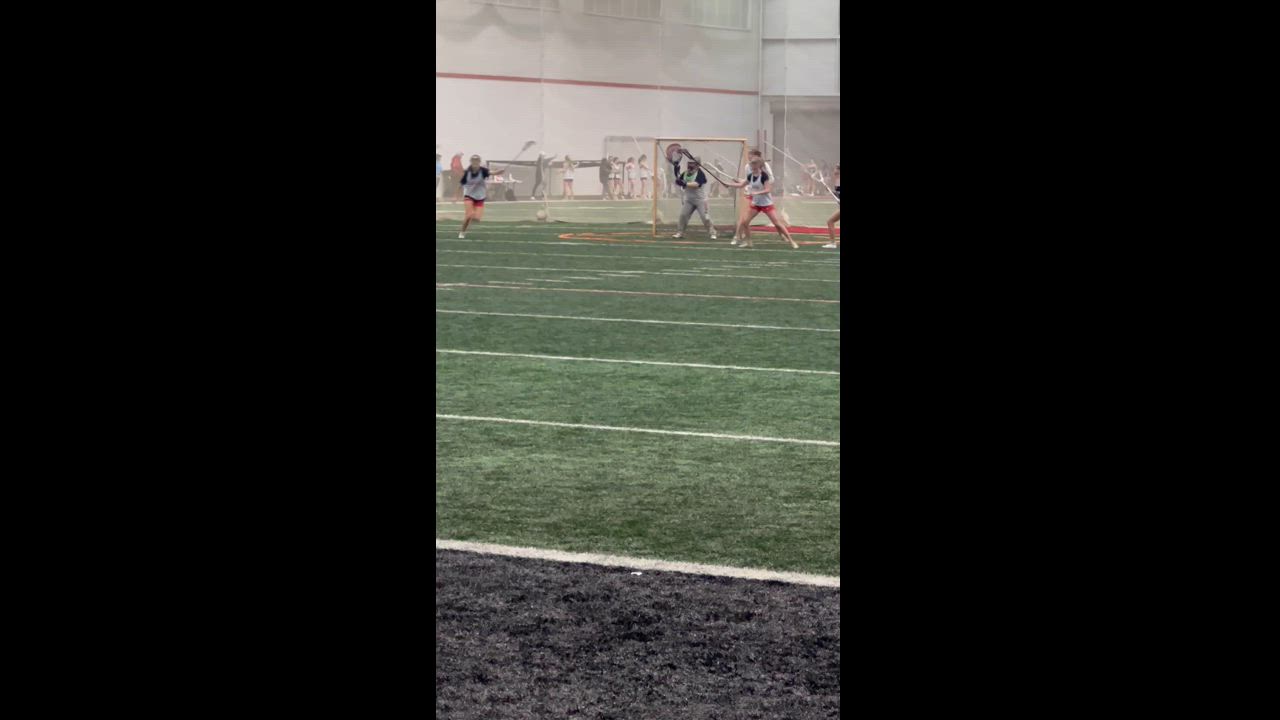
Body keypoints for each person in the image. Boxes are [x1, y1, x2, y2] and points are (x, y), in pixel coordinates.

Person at [727, 157, 797, 249]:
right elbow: (741, 185)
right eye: (751, 165)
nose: (752, 167)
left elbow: (768, 190)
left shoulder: (764, 176)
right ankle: (749, 242)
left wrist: (756, 193)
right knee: (745, 222)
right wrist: (729, 184)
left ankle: (791, 241)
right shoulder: (750, 176)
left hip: (766, 204)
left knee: (777, 223)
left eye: (753, 165)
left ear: (758, 166)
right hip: (756, 204)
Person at [670, 156, 717, 240]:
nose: (690, 165)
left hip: (700, 200)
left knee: (705, 217)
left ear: (697, 165)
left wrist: (685, 184)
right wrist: (676, 171)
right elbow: (678, 181)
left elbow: (696, 184)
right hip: (689, 200)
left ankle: (712, 233)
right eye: (689, 163)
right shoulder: (685, 173)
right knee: (683, 215)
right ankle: (680, 232)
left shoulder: (700, 174)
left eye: (692, 163)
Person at [458, 155, 504, 239]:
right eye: (473, 161)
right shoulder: (467, 172)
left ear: (479, 162)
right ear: (471, 162)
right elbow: (461, 184)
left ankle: (470, 220)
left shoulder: (483, 170)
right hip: (469, 195)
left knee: (477, 219)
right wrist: (455, 196)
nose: (475, 162)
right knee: (469, 215)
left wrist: (499, 172)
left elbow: (492, 173)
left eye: (477, 161)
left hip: (480, 197)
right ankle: (462, 232)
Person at [824, 164, 841, 249]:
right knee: (830, 221)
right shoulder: (837, 180)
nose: (834, 171)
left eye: (836, 169)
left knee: (830, 221)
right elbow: (837, 194)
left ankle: (833, 243)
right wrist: (830, 190)